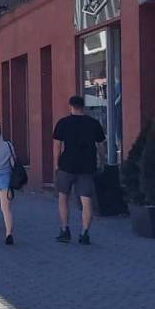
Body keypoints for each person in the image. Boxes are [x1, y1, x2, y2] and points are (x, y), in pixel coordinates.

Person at [53, 95, 106, 244]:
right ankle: (84, 232)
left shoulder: (63, 123)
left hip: (66, 165)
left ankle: (65, 229)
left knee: (63, 197)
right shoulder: (93, 123)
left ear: (70, 106)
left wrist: (56, 164)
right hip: (87, 167)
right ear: (83, 107)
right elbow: (101, 145)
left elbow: (57, 145)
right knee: (86, 200)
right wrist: (102, 162)